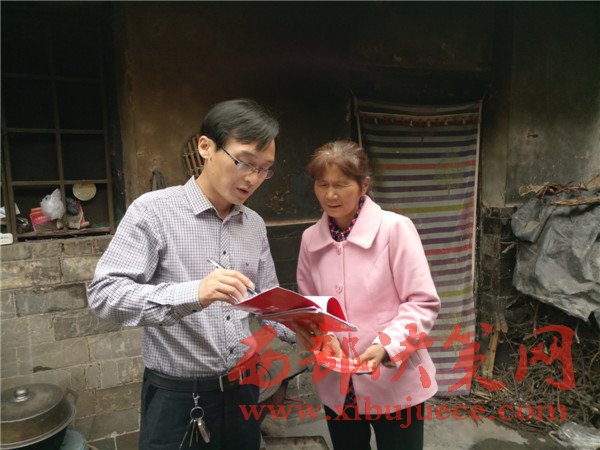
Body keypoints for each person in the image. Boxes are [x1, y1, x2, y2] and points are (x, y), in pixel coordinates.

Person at [87, 98, 294, 450]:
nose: (253, 178)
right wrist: (194, 293)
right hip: (179, 396)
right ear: (205, 147)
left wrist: (309, 328)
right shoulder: (153, 212)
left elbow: (267, 298)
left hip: (244, 386)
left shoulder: (254, 224)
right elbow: (105, 295)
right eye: (245, 162)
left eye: (264, 169)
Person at [295, 140, 440, 450]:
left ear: (364, 185)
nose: (330, 195)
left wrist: (386, 346)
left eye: (341, 184)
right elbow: (310, 307)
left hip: (393, 377)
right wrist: (319, 336)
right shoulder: (310, 240)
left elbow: (421, 302)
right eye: (323, 184)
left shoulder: (395, 229)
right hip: (337, 383)